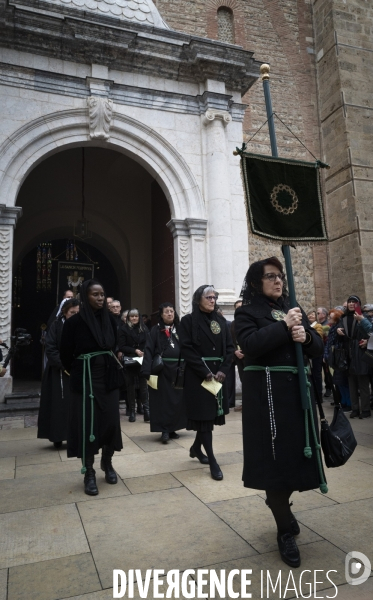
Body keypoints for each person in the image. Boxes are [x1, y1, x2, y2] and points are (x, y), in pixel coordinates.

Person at [235, 257, 326, 568]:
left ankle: (282, 510)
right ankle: (283, 528)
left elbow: (316, 348)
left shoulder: (292, 306)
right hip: (268, 401)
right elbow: (250, 344)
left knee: (294, 461)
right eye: (270, 277)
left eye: (280, 277)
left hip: (295, 397)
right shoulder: (247, 312)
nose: (278, 282)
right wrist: (284, 326)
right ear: (256, 282)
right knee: (274, 465)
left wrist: (308, 337)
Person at [60, 280, 123, 496]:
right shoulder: (74, 323)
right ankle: (89, 472)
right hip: (86, 377)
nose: (99, 298)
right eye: (95, 294)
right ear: (86, 297)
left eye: (102, 294)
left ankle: (107, 461)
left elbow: (115, 346)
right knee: (88, 425)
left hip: (108, 378)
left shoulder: (112, 321)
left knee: (110, 422)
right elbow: (66, 355)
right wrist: (81, 369)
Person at [179, 285, 234, 481]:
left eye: (214, 297)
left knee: (208, 418)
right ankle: (212, 460)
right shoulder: (187, 321)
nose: (212, 300)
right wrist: (205, 371)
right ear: (198, 299)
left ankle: (195, 448)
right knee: (204, 419)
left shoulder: (220, 320)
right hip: (198, 377)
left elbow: (229, 347)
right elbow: (186, 349)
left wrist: (223, 369)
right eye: (208, 297)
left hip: (218, 376)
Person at [141, 302, 187, 443]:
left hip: (177, 370)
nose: (169, 314)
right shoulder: (155, 330)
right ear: (161, 314)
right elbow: (148, 350)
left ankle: (173, 428)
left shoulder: (180, 329)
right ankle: (164, 430)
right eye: (166, 311)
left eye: (171, 311)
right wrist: (146, 370)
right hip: (161, 370)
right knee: (162, 401)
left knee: (176, 400)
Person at [38, 298, 80, 447]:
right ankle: (57, 435)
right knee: (58, 404)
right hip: (58, 371)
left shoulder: (82, 326)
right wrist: (63, 365)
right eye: (72, 312)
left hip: (76, 370)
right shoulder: (55, 326)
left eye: (77, 312)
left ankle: (75, 436)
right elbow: (50, 348)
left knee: (76, 405)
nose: (75, 315)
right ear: (64, 312)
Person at [337, 295, 372, 418]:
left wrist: (367, 341)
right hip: (348, 353)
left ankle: (366, 409)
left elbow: (370, 333)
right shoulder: (344, 317)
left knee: (363, 383)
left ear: (358, 304)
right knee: (351, 384)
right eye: (350, 302)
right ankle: (355, 408)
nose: (351, 304)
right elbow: (338, 335)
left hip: (361, 352)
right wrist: (338, 332)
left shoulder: (364, 317)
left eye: (354, 302)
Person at [118, 308, 150, 422]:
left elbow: (148, 343)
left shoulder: (144, 328)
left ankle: (147, 411)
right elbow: (122, 346)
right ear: (128, 318)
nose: (134, 318)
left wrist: (144, 352)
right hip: (130, 360)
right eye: (132, 316)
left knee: (143, 387)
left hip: (142, 360)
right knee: (130, 387)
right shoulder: (123, 329)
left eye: (136, 316)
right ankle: (132, 411)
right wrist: (135, 350)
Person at [324, 308, 351, 411]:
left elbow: (339, 342)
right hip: (334, 357)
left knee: (343, 382)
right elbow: (329, 343)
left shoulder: (339, 327)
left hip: (339, 357)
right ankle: (344, 402)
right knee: (339, 382)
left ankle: (348, 403)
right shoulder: (333, 328)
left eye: (330, 317)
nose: (328, 319)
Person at [231, 299, 245, 412]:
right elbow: (230, 341)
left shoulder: (250, 321)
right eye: (237, 308)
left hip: (250, 355)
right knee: (243, 378)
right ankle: (244, 402)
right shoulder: (232, 324)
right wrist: (235, 351)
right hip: (239, 356)